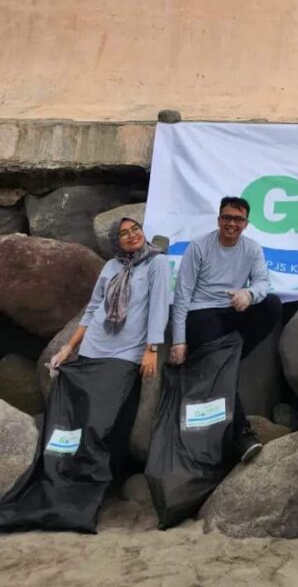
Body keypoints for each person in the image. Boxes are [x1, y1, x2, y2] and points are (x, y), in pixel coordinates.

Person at [50, 216, 171, 468]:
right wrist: (68, 347)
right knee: (86, 411)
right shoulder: (110, 266)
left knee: (112, 415)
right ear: (116, 241)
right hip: (94, 347)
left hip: (127, 353)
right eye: (123, 233)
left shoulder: (156, 262)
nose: (132, 235)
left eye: (135, 229)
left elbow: (159, 307)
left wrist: (152, 348)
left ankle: (107, 472)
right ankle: (78, 466)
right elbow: (93, 308)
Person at [170, 196, 282, 463]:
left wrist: (249, 294)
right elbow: (182, 295)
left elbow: (263, 282)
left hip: (233, 307)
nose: (232, 223)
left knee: (272, 305)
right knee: (219, 364)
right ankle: (241, 435)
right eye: (227, 218)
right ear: (219, 219)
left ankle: (225, 360)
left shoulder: (252, 249)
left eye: (238, 219)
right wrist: (178, 340)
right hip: (202, 312)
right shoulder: (199, 247)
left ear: (246, 223)